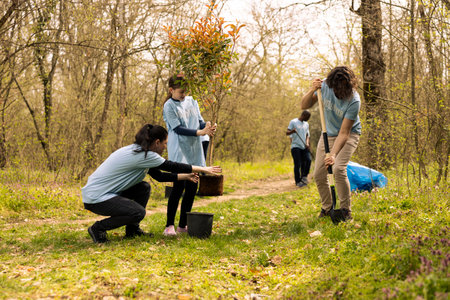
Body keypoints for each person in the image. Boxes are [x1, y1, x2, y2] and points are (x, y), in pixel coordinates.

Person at [82, 124, 221, 243]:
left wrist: (186, 176)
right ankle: (98, 228)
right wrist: (203, 168)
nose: (165, 147)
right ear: (157, 142)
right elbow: (172, 166)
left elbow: (159, 176)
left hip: (101, 193)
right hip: (97, 198)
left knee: (143, 187)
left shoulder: (140, 151)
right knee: (138, 212)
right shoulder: (144, 155)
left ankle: (132, 230)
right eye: (165, 143)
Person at [301, 66, 362, 220]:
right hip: (327, 133)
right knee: (319, 174)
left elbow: (344, 133)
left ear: (349, 85)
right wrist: (312, 90)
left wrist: (333, 154)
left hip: (349, 134)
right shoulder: (325, 86)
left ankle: (345, 210)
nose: (338, 92)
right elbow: (304, 105)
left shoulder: (354, 100)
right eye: (335, 88)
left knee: (339, 168)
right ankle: (328, 208)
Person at [162, 74, 217, 236]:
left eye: (185, 91)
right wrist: (200, 132)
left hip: (194, 150)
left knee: (192, 188)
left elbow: (199, 121)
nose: (184, 94)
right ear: (171, 90)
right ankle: (169, 225)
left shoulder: (192, 101)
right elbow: (178, 128)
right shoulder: (169, 106)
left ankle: (182, 225)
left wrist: (206, 126)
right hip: (179, 151)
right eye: (180, 92)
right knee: (178, 188)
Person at [286, 110, 312, 188]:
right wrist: (292, 131)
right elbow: (287, 133)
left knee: (308, 160)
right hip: (295, 146)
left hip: (304, 146)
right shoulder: (293, 122)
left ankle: (304, 177)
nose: (308, 119)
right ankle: (298, 181)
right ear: (303, 115)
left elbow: (307, 135)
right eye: (307, 117)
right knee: (298, 164)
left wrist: (307, 143)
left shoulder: (306, 124)